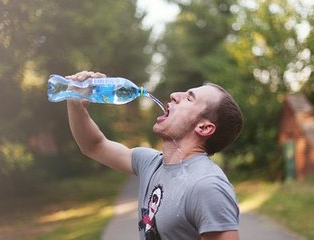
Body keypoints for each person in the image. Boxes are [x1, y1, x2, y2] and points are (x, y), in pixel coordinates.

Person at [66, 70, 243, 240]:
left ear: (204, 128)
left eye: (189, 98)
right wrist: (75, 103)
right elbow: (94, 146)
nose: (174, 95)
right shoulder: (151, 163)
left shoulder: (207, 187)